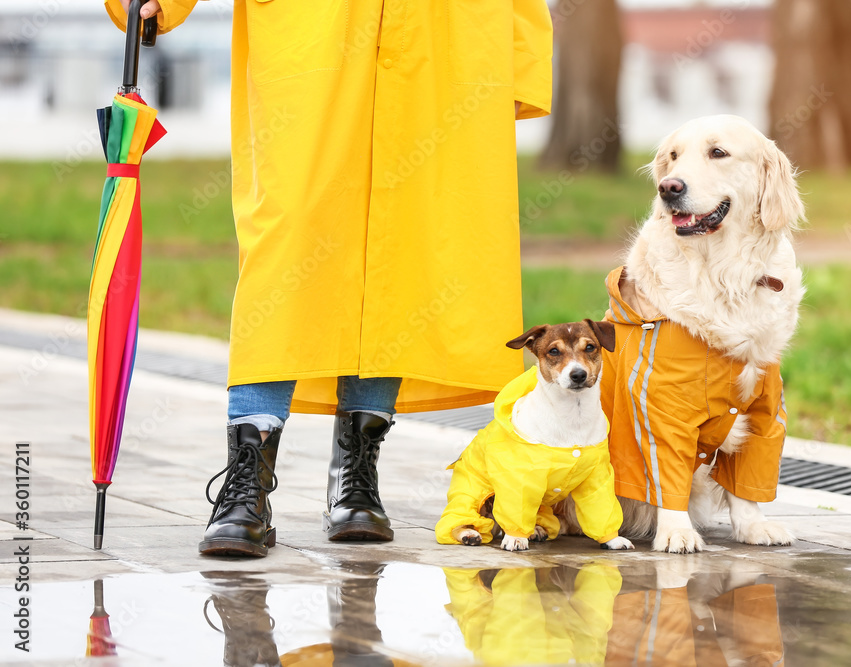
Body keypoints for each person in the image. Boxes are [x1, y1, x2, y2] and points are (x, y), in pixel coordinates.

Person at [108, 0, 553, 557]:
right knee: (287, 246)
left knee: (403, 247)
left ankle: (357, 473)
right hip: (313, 36)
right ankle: (247, 479)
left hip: (442, 39)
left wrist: (519, 59)